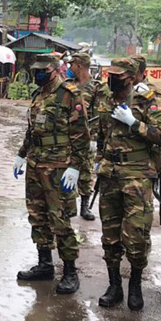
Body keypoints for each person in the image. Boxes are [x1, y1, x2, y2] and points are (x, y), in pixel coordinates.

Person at [12, 53, 89, 295]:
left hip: (58, 168)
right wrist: (21, 154)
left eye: (43, 70)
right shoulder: (38, 95)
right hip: (36, 165)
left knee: (60, 219)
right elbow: (32, 130)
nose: (38, 74)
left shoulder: (69, 94)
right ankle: (45, 264)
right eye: (37, 70)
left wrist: (76, 166)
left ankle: (69, 271)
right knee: (37, 215)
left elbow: (82, 135)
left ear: (55, 70)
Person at [91, 58, 161, 311]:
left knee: (136, 237)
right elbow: (101, 136)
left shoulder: (147, 100)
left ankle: (135, 285)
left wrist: (135, 123)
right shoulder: (105, 99)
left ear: (132, 77)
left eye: (118, 75)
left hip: (136, 176)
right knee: (110, 236)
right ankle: (114, 286)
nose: (112, 79)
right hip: (110, 176)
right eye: (110, 74)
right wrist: (98, 160)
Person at [67, 52, 101, 220]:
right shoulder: (68, 85)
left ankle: (85, 206)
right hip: (68, 136)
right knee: (66, 168)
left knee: (86, 171)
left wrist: (95, 139)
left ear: (79, 65)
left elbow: (100, 115)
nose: (69, 67)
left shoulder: (96, 87)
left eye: (71, 64)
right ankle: (67, 203)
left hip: (87, 136)